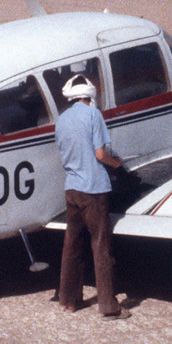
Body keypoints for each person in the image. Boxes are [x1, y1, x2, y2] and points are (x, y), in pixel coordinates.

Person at [52, 74, 127, 319]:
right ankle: (108, 306)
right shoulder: (94, 115)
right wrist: (116, 164)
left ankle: (69, 299)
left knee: (72, 244)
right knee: (100, 245)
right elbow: (99, 153)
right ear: (90, 97)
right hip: (93, 189)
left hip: (71, 189)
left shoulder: (61, 119)